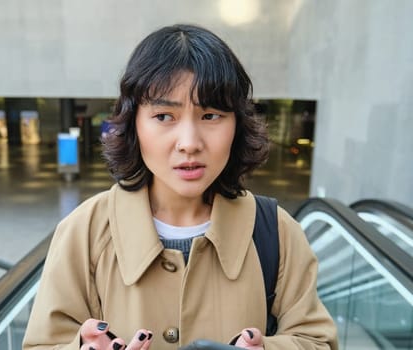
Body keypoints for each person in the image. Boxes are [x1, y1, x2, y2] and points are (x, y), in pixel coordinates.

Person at [23, 24, 337, 350]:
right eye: (163, 116)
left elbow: (317, 341)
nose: (189, 143)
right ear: (134, 124)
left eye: (211, 115)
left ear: (237, 125)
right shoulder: (85, 230)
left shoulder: (277, 231)